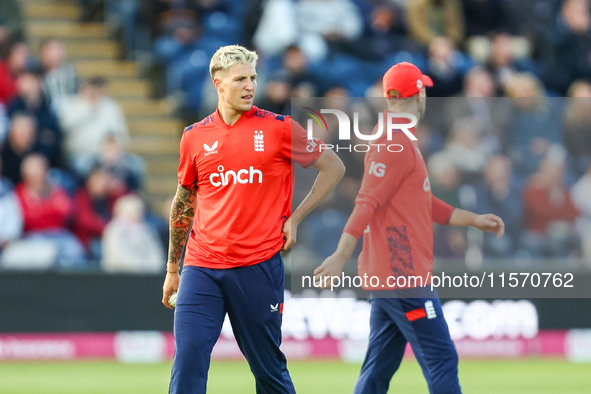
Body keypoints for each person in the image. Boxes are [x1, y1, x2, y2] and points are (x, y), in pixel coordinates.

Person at [162, 45, 345, 393]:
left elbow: (334, 166)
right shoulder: (194, 137)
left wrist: (296, 217)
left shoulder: (277, 129)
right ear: (218, 84)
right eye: (240, 79)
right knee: (188, 359)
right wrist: (173, 270)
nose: (249, 86)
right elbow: (184, 201)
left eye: (253, 78)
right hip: (201, 267)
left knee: (268, 371)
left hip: (257, 267)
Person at [313, 62, 504, 394]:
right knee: (441, 357)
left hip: (391, 274)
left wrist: (471, 219)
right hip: (403, 274)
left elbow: (423, 203)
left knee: (378, 367)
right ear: (421, 94)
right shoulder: (395, 144)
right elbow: (366, 202)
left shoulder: (396, 139)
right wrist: (340, 255)